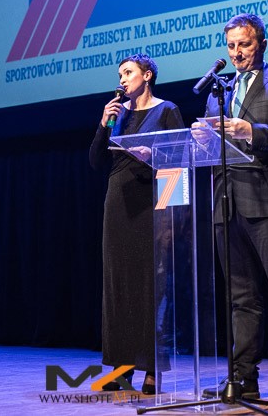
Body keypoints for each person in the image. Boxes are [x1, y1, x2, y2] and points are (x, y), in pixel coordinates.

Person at [194, 13, 268, 409]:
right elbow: (215, 147)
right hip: (227, 204)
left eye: (243, 44)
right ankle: (243, 379)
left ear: (261, 43)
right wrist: (202, 139)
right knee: (241, 299)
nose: (236, 52)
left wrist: (252, 131)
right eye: (230, 46)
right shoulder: (220, 92)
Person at [89, 53, 184, 395]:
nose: (122, 79)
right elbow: (96, 162)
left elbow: (179, 161)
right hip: (118, 206)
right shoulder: (118, 114)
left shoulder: (167, 110)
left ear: (147, 75)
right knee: (119, 287)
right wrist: (104, 125)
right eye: (120, 74)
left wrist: (172, 216)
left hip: (151, 205)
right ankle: (122, 367)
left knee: (151, 289)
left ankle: (153, 369)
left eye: (128, 72)